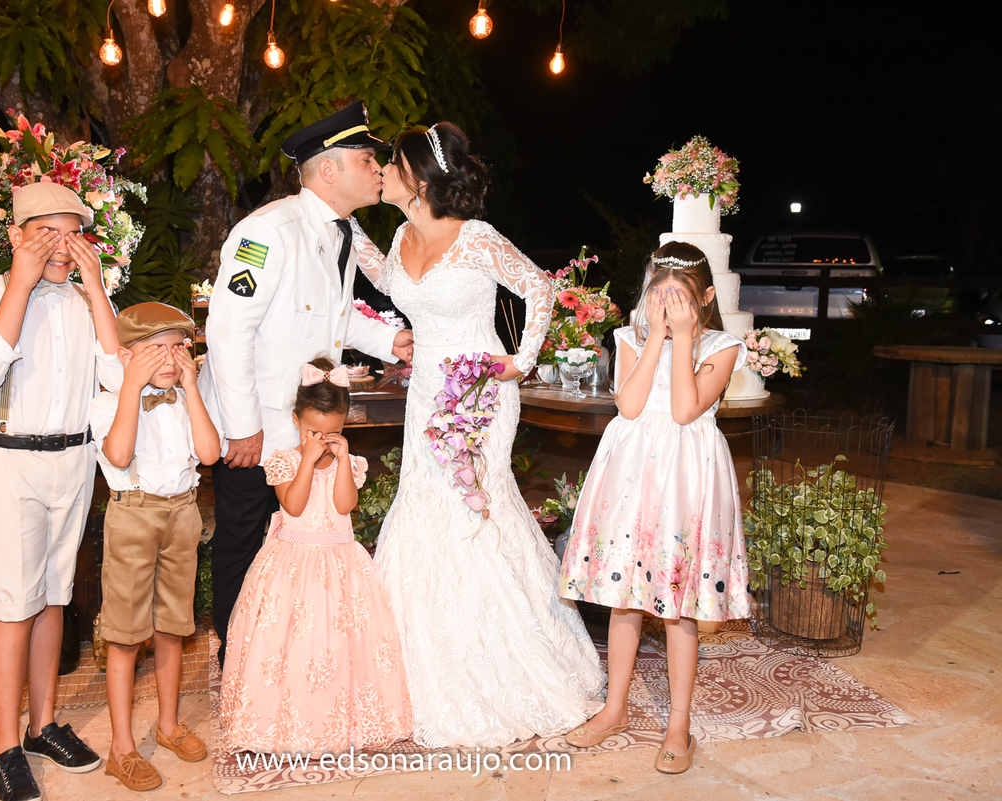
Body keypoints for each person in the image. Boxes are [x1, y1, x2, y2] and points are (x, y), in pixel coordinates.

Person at [349, 122, 603, 747]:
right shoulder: (401, 236)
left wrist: (521, 361)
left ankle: (505, 662)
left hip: (479, 392)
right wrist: (344, 225)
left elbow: (540, 287)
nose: (383, 172)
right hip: (426, 393)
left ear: (418, 177)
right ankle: (423, 661)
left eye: (392, 164)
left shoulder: (477, 238)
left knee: (475, 510)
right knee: (422, 506)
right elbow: (385, 279)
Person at [198, 101, 414, 667]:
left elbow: (332, 317)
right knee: (244, 542)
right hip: (259, 428)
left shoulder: (338, 231)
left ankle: (277, 663)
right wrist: (242, 427)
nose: (378, 169)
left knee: (286, 546)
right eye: (367, 159)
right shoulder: (268, 232)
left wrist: (391, 340)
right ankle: (239, 665)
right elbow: (228, 330)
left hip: (300, 427)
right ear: (328, 170)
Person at [557, 241, 753, 774]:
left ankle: (678, 726)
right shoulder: (629, 338)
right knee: (623, 597)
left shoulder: (722, 346)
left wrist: (684, 339)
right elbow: (629, 404)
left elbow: (686, 409)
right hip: (632, 474)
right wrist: (655, 340)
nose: (665, 308)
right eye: (657, 297)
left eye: (678, 299)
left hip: (686, 478)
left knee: (677, 604)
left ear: (705, 299)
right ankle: (615, 708)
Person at [0, 181, 122, 801]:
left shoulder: (84, 301)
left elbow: (117, 378)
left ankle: (42, 725)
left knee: (54, 597)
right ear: (16, 236)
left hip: (73, 460)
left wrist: (98, 292)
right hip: (9, 460)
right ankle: (3, 747)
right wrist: (21, 284)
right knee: (13, 604)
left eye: (73, 234)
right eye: (46, 233)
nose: (62, 246)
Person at [219, 357, 411, 754]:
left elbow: (344, 505)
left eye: (332, 433)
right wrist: (306, 460)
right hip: (293, 563)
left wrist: (342, 461)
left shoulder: (350, 463)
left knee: (343, 645)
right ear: (295, 420)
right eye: (312, 432)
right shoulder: (284, 460)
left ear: (344, 427)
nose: (322, 441)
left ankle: (344, 719)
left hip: (341, 564)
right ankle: (284, 722)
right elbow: (293, 504)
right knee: (290, 644)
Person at [90, 302, 222, 791]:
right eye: (155, 350)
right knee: (125, 634)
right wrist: (130, 386)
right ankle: (121, 748)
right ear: (126, 355)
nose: (169, 358)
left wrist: (192, 388)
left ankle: (168, 725)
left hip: (182, 514)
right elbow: (119, 453)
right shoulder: (107, 402)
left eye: (177, 347)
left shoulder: (185, 396)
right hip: (133, 516)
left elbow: (210, 453)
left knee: (174, 625)